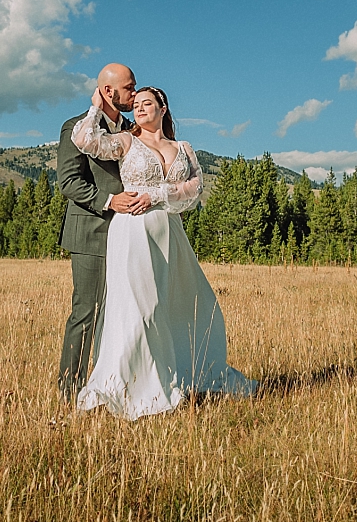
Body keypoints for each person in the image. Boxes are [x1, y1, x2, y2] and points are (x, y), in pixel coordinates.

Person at [69, 83, 257, 419]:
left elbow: (195, 187)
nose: (139, 108)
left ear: (163, 108)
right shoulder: (127, 141)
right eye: (136, 104)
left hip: (170, 233)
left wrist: (157, 196)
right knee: (141, 307)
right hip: (133, 231)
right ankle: (133, 384)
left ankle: (185, 373)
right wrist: (96, 106)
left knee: (189, 303)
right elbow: (84, 140)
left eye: (146, 103)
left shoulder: (182, 147)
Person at [57, 62, 147, 401]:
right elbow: (68, 182)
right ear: (108, 92)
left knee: (118, 315)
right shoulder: (75, 128)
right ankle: (70, 392)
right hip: (90, 232)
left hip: (127, 234)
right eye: (129, 87)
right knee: (87, 312)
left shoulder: (133, 129)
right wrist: (110, 200)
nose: (134, 93)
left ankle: (105, 388)